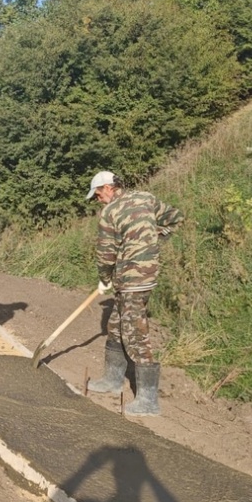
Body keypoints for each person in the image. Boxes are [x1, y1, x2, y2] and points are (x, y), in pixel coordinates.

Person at [85, 171, 183, 416]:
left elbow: (105, 254)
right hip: (144, 277)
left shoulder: (110, 212)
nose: (98, 200)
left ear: (108, 188)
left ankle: (149, 401)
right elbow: (176, 218)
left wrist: (104, 279)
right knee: (116, 325)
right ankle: (112, 380)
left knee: (135, 335)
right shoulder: (146, 198)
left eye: (97, 195)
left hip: (132, 279)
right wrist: (154, 238)